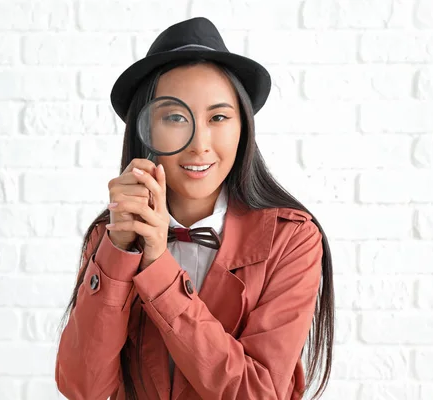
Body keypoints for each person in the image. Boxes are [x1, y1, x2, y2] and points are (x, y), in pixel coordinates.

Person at [55, 17, 334, 400]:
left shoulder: (291, 237)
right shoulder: (110, 234)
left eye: (218, 117)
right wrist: (120, 252)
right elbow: (82, 387)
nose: (199, 143)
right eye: (174, 118)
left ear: (244, 127)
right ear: (146, 129)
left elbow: (258, 393)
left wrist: (158, 268)